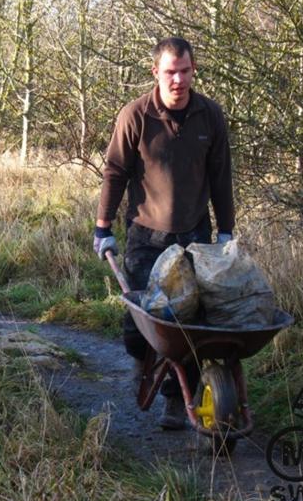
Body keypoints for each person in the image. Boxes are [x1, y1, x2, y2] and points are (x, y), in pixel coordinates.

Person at [93, 37, 235, 430]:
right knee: (143, 321)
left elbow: (221, 177)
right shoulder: (136, 115)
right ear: (155, 72)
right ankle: (141, 362)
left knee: (188, 324)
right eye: (171, 71)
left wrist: (225, 232)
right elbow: (115, 173)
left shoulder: (210, 115)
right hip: (146, 235)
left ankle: (176, 401)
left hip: (194, 236)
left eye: (185, 71)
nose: (178, 80)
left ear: (193, 70)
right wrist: (103, 227)